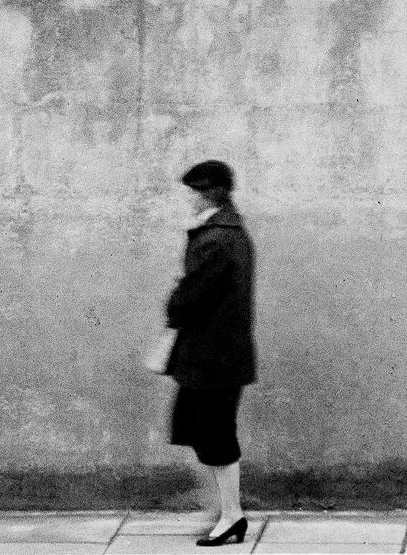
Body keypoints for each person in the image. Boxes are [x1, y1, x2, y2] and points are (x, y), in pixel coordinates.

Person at [164, 159, 256, 547]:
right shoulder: (230, 232)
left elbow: (190, 301)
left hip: (211, 358)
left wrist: (177, 295)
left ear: (211, 192)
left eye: (196, 192)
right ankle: (226, 512)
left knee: (215, 436)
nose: (192, 200)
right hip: (220, 355)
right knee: (210, 434)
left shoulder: (216, 237)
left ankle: (232, 515)